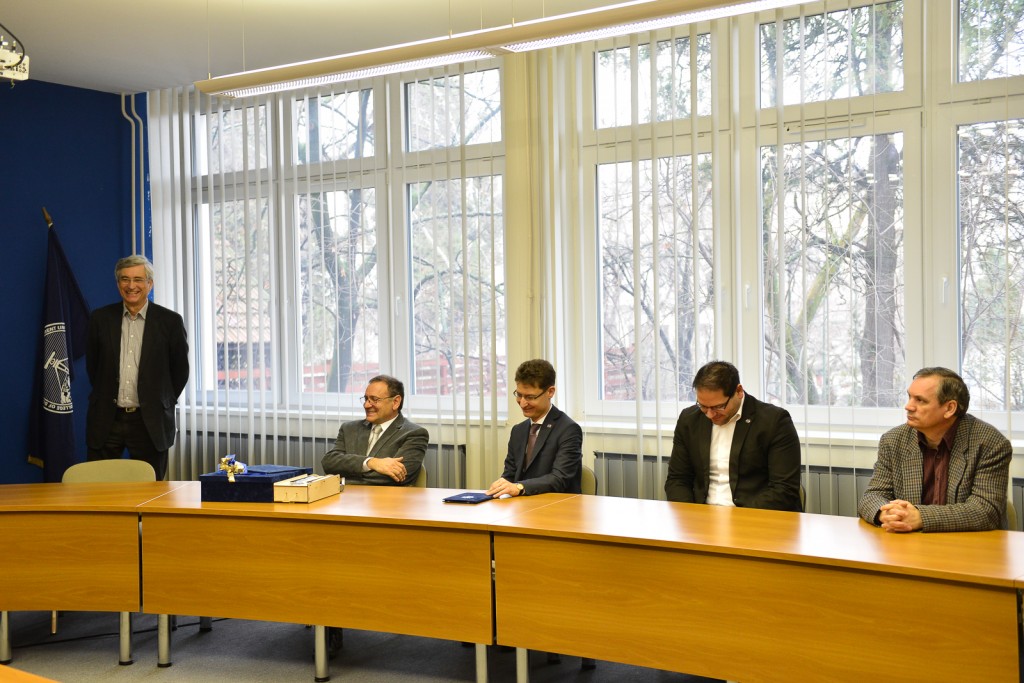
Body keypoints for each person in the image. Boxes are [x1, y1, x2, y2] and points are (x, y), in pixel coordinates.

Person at [858, 367, 1011, 533]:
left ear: (949, 408)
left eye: (920, 400)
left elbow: (985, 511)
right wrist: (887, 514)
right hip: (909, 542)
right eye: (909, 397)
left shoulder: (989, 443)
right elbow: (872, 496)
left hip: (968, 543)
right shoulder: (894, 440)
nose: (908, 406)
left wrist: (921, 517)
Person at [86, 255, 189, 481]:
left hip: (150, 421)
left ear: (149, 284)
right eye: (125, 279)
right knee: (98, 489)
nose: (131, 286)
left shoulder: (170, 322)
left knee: (150, 491)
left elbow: (180, 371)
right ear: (118, 284)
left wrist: (160, 400)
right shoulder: (100, 319)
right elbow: (94, 367)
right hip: (106, 419)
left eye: (138, 279)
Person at [664, 360, 802, 511]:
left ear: (739, 391)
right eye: (703, 406)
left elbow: (784, 489)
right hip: (702, 514)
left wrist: (737, 519)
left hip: (753, 514)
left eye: (718, 407)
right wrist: (690, 514)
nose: (709, 414)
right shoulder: (689, 420)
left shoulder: (774, 422)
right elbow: (677, 479)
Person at [486, 359, 582, 497]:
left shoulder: (569, 430)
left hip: (556, 505)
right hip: (522, 505)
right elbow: (510, 475)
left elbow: (559, 479)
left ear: (550, 392)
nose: (522, 403)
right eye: (519, 395)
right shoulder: (518, 431)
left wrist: (519, 487)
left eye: (530, 397)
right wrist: (502, 485)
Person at [321, 374, 428, 486]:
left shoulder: (414, 434)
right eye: (366, 399)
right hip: (346, 497)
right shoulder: (349, 429)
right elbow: (329, 462)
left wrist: (343, 480)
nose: (366, 405)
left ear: (396, 402)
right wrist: (371, 462)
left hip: (387, 497)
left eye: (374, 399)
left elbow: (395, 478)